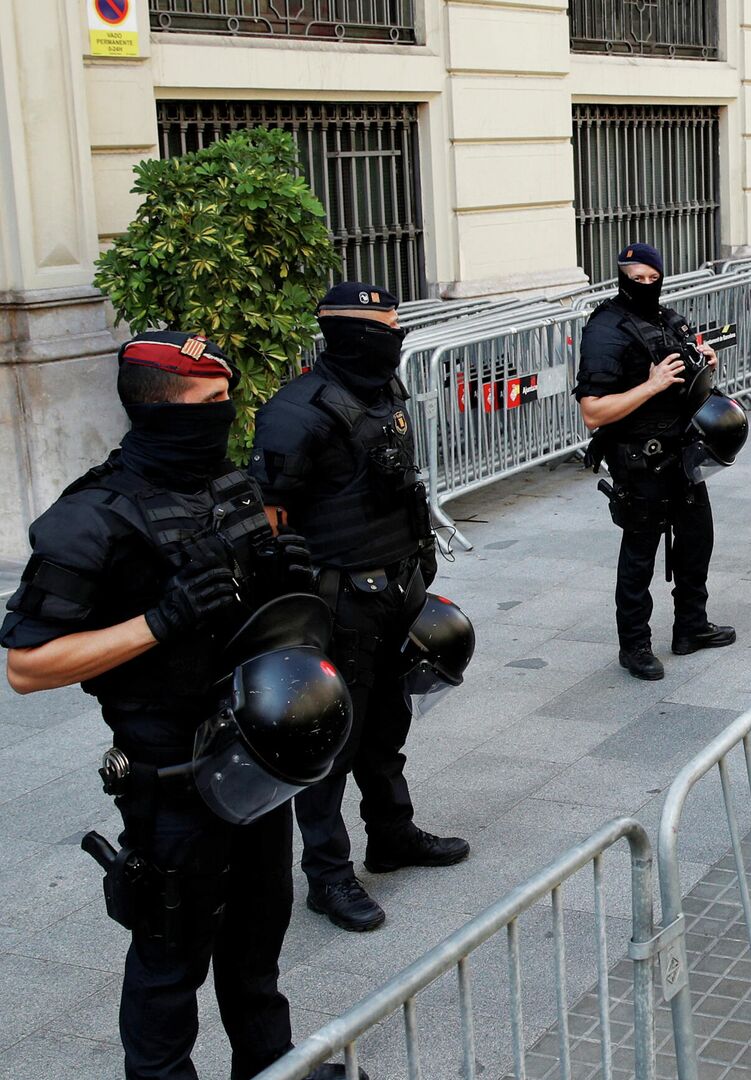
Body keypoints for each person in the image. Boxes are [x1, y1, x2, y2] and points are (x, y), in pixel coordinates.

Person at [3, 331, 354, 1079]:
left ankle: (270, 1062)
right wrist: (154, 623)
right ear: (163, 412)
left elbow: (248, 618)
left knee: (259, 934)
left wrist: (288, 580)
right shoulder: (90, 517)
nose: (227, 417)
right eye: (213, 404)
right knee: (171, 956)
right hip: (170, 775)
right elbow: (26, 667)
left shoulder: (226, 486)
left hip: (255, 755)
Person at [249, 284, 470, 933]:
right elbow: (268, 522)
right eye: (383, 329)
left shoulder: (384, 391)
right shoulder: (297, 412)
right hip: (336, 603)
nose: (394, 338)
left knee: (384, 727)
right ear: (346, 335)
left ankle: (392, 834)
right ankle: (327, 875)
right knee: (330, 742)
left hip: (395, 589)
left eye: (396, 326)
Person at [574, 244, 735, 683]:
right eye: (635, 277)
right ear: (621, 276)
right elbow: (593, 412)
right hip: (637, 459)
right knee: (640, 554)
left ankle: (691, 627)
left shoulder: (668, 320)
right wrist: (650, 385)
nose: (645, 285)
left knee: (697, 539)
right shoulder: (605, 330)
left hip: (681, 452)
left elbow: (689, 385)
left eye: (652, 278)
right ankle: (635, 646)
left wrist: (707, 367)